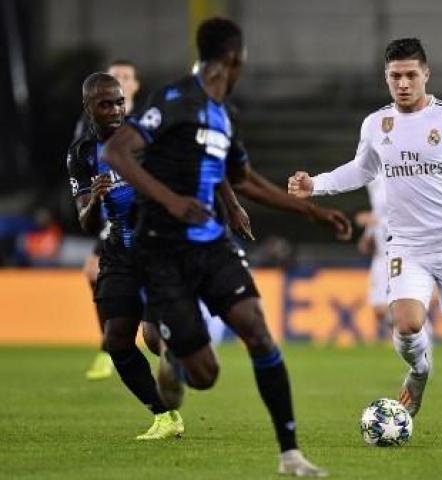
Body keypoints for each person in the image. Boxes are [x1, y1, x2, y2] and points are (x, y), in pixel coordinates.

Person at [103, 17, 330, 477]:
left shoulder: (227, 116)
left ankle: (291, 456)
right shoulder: (172, 100)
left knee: (258, 331)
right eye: (243, 58)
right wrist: (169, 199)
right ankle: (176, 365)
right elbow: (116, 153)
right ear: (232, 58)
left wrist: (308, 209)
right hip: (161, 249)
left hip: (211, 244)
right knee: (205, 375)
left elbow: (243, 180)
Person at [288, 38, 442, 447]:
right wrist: (315, 184)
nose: (404, 83)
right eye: (396, 76)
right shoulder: (376, 124)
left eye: (412, 75)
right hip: (407, 244)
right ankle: (420, 370)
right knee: (407, 326)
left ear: (427, 74)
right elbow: (361, 169)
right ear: (386, 78)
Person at [66, 72, 184, 439]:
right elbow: (85, 221)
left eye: (119, 102)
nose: (116, 109)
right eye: (105, 104)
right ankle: (165, 416)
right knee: (117, 339)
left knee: (152, 338)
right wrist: (96, 201)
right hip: (119, 251)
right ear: (89, 108)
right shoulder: (82, 153)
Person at [82, 60, 141, 381]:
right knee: (93, 271)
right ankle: (108, 346)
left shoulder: (147, 127)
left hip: (152, 231)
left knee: (158, 339)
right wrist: (95, 199)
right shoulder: (85, 139)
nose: (119, 81)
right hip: (112, 222)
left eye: (125, 78)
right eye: (114, 75)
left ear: (134, 86)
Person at [355, 175, 391, 339]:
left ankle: (415, 329)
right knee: (379, 310)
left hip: (402, 256)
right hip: (380, 259)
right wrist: (369, 232)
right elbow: (365, 246)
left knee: (401, 311)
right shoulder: (377, 209)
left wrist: (375, 220)